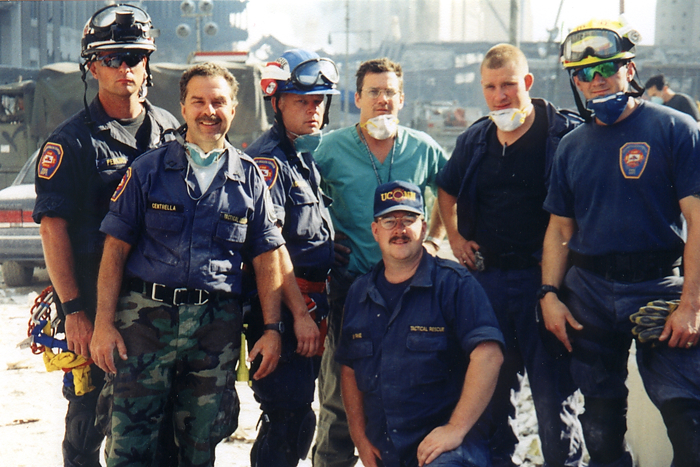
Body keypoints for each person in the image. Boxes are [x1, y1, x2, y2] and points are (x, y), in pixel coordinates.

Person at [89, 62, 286, 466]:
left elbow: (267, 260)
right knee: (130, 444)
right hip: (143, 327)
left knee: (200, 445)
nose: (208, 111)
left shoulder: (249, 178)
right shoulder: (149, 170)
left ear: (233, 109)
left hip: (214, 331)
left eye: (219, 102)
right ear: (182, 107)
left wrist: (271, 328)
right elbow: (114, 251)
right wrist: (103, 325)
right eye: (198, 101)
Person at [541, 18, 700, 467]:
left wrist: (692, 304)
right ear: (574, 81)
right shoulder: (571, 146)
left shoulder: (677, 130)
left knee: (688, 419)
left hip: (659, 289)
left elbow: (698, 220)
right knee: (602, 422)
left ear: (629, 69)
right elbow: (558, 230)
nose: (596, 81)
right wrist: (549, 294)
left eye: (606, 69)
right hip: (588, 291)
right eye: (584, 74)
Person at [32, 5, 179, 466]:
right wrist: (73, 310)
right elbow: (53, 230)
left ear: (147, 64)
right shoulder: (71, 142)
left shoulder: (173, 132)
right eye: (112, 58)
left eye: (135, 57)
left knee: (157, 422)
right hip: (95, 307)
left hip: (158, 307)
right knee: (86, 423)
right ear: (92, 66)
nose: (125, 68)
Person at [436, 43, 584, 467]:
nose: (500, 96)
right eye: (490, 87)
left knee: (553, 399)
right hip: (488, 285)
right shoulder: (476, 138)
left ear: (528, 83)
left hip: (546, 287)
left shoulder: (563, 135)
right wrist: (456, 238)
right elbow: (445, 188)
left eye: (508, 85)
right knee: (491, 397)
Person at [312, 57, 448, 467]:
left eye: (390, 92)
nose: (382, 100)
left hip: (410, 289)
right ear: (358, 99)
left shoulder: (422, 147)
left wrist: (439, 236)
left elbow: (451, 188)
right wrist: (325, 232)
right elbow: (301, 194)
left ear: (402, 99)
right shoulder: (330, 147)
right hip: (350, 287)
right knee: (339, 396)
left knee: (407, 393)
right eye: (374, 92)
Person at [336, 180, 504, 467]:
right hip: (387, 452)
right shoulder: (360, 292)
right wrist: (359, 436)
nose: (399, 230)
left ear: (424, 228)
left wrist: (455, 429)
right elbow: (350, 369)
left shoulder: (455, 285)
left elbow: (489, 355)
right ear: (375, 231)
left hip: (447, 450)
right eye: (389, 221)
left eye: (408, 220)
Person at [244, 48, 337, 466]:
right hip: (285, 308)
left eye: (319, 101)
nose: (313, 110)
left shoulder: (302, 158)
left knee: (298, 417)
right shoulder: (271, 162)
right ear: (277, 102)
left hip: (310, 304)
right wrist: (297, 316)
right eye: (303, 101)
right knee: (286, 419)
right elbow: (270, 249)